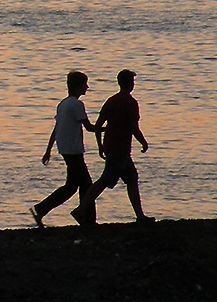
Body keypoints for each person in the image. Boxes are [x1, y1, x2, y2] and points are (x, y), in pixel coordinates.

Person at [86, 69, 153, 224]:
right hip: (120, 148)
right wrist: (143, 142)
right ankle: (81, 209)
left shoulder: (111, 100)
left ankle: (140, 216)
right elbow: (134, 127)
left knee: (132, 179)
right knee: (105, 180)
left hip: (112, 146)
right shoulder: (130, 102)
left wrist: (100, 146)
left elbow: (98, 126)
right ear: (131, 84)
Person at [31, 70, 97, 227]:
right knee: (72, 186)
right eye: (85, 84)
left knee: (85, 184)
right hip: (74, 150)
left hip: (66, 148)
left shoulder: (63, 104)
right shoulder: (76, 105)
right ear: (78, 86)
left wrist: (48, 150)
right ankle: (42, 208)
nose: (87, 87)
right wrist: (110, 128)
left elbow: (56, 129)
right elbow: (89, 127)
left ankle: (87, 218)